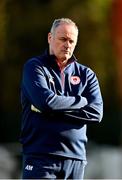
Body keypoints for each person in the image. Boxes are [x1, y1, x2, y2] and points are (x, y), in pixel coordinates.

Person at [20, 18, 103, 179]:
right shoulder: (34, 67)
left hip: (76, 159)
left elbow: (96, 113)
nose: (67, 45)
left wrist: (52, 108)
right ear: (50, 38)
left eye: (72, 41)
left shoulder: (87, 75)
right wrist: (81, 101)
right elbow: (46, 102)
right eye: (63, 39)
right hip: (40, 156)